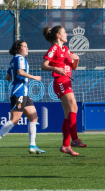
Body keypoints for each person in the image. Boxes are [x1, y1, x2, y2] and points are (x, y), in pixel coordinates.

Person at [0, 40, 45, 155]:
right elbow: (20, 72)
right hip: (19, 93)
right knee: (15, 120)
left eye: (27, 46)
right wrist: (34, 77)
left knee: (33, 117)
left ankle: (32, 145)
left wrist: (17, 80)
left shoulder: (14, 60)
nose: (27, 48)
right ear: (18, 49)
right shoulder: (20, 59)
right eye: (25, 46)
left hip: (22, 92)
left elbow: (8, 77)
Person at [41, 26, 86, 156]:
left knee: (69, 114)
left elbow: (73, 67)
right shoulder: (54, 48)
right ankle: (75, 139)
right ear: (58, 35)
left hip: (67, 82)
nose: (67, 34)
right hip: (60, 82)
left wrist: (76, 59)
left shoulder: (65, 49)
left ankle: (66, 145)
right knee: (74, 107)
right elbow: (43, 65)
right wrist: (55, 68)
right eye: (64, 32)